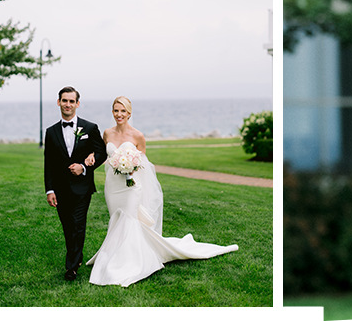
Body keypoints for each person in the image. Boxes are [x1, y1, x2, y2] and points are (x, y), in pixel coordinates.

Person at [85, 96, 238, 287]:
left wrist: (131, 168)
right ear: (112, 112)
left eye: (123, 111)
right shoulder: (107, 133)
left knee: (129, 219)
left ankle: (130, 263)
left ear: (129, 113)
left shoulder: (138, 136)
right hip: (113, 186)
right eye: (116, 110)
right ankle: (112, 256)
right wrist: (91, 155)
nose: (119, 114)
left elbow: (144, 164)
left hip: (132, 187)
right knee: (116, 220)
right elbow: (100, 152)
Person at [43, 86, 107, 281]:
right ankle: (77, 257)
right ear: (58, 102)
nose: (68, 104)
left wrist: (84, 166)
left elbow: (101, 152)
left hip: (82, 187)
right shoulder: (51, 132)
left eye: (72, 101)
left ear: (77, 104)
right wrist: (50, 189)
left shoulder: (90, 128)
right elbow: (49, 163)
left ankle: (71, 267)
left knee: (78, 224)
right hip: (61, 189)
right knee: (67, 226)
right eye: (64, 100)